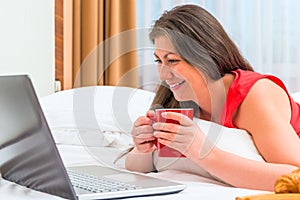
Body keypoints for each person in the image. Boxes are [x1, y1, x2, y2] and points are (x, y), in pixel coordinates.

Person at [124, 4, 300, 191]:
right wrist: (142, 149)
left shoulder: (255, 94)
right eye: (159, 61)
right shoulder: (177, 97)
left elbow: (295, 177)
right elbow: (140, 165)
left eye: (173, 60)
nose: (163, 75)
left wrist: (204, 154)